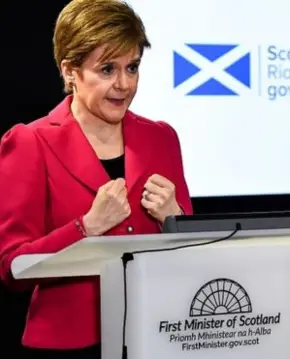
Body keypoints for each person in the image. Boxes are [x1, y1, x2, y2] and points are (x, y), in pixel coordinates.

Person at [0, 1, 193, 358]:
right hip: (70, 346)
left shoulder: (161, 138)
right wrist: (86, 227)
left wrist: (174, 218)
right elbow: (12, 267)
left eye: (132, 67)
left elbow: (192, 250)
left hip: (155, 335)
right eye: (107, 69)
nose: (124, 84)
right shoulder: (30, 142)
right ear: (70, 71)